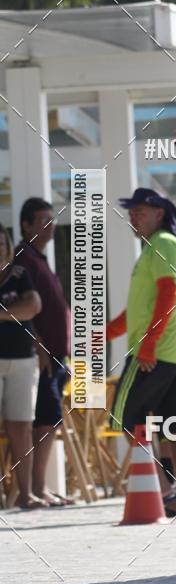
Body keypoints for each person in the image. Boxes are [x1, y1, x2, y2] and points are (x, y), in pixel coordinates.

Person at [107, 188, 176, 516]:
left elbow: (167, 295)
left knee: (124, 414)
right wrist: (105, 334)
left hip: (157, 349)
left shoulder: (162, 243)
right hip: (175, 348)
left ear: (160, 213)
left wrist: (147, 345)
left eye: (140, 211)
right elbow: (138, 310)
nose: (133, 216)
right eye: (131, 212)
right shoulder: (157, 247)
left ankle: (162, 489)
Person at [15, 198, 73, 506]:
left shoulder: (39, 258)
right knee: (44, 420)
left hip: (56, 355)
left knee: (48, 420)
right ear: (25, 225)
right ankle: (36, 488)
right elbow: (26, 310)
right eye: (41, 220)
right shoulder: (23, 259)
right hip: (42, 355)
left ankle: (40, 487)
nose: (48, 226)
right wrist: (36, 343)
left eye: (51, 219)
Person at [0, 224, 43, 508]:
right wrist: (12, 314)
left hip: (23, 359)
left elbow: (33, 306)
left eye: (2, 244)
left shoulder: (20, 274)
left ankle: (26, 494)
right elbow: (23, 309)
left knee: (22, 428)